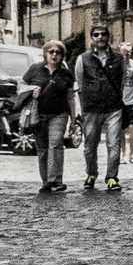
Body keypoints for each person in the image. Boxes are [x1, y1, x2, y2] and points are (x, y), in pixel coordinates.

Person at [73, 24, 126, 191]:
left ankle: (112, 178)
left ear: (108, 36)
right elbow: (80, 84)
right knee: (90, 146)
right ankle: (91, 173)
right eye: (96, 34)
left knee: (114, 145)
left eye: (103, 34)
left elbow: (122, 81)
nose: (100, 37)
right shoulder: (83, 59)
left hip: (113, 108)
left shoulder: (119, 59)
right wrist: (84, 105)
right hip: (92, 108)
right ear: (92, 38)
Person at [22, 39, 78, 194]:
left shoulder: (66, 73)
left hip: (59, 113)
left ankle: (56, 180)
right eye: (51, 51)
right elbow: (20, 85)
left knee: (56, 144)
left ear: (62, 55)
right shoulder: (35, 69)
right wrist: (31, 89)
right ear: (45, 54)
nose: (54, 54)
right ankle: (46, 181)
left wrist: (73, 119)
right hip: (38, 114)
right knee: (42, 149)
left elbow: (70, 97)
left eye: (58, 52)